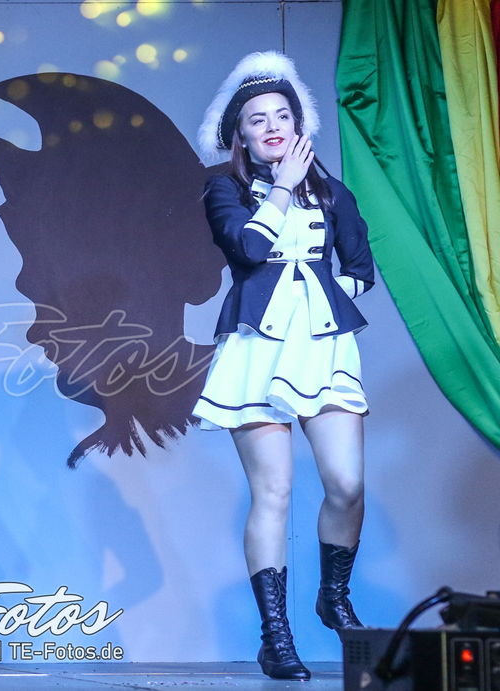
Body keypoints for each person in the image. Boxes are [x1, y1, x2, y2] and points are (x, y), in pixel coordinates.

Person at [193, 51, 374, 680]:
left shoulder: (332, 192)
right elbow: (246, 248)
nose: (271, 126)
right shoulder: (224, 188)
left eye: (281, 115)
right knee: (273, 491)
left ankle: (333, 595)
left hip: (322, 347)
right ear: (239, 136)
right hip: (257, 349)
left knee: (346, 484)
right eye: (257, 120)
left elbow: (360, 268)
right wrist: (280, 189)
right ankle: (275, 635)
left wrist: (320, 304)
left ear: (298, 124)